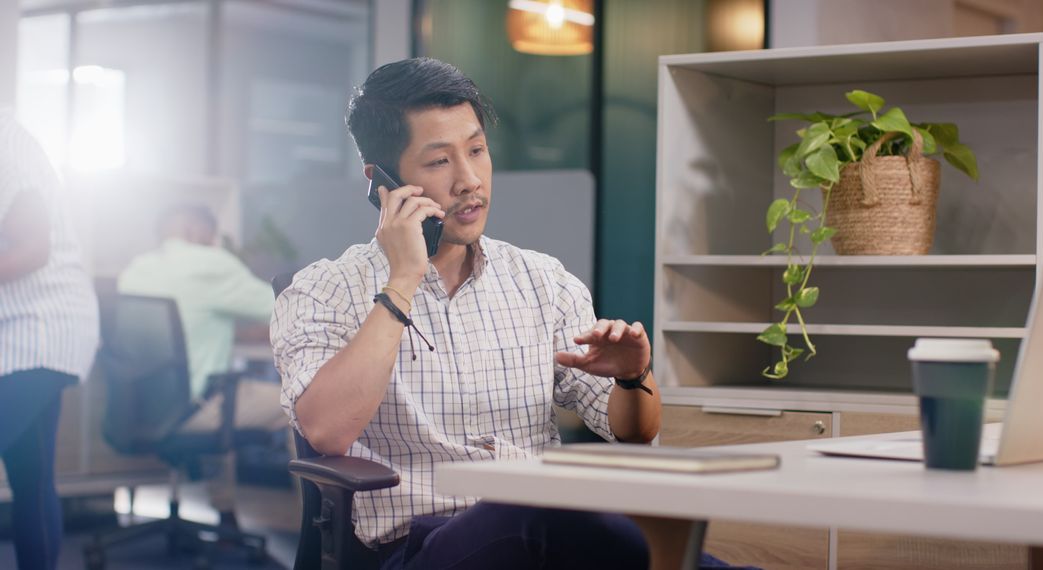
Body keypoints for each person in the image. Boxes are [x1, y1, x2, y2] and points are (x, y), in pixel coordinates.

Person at [272, 58, 745, 569]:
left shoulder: (542, 281)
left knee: (589, 517)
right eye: (439, 162)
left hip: (542, 538)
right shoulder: (323, 290)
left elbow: (632, 432)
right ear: (381, 180)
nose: (469, 180)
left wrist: (634, 378)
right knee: (539, 507)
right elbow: (325, 430)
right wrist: (402, 279)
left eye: (477, 150)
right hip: (417, 547)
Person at [118, 204, 286, 527]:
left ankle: (226, 517)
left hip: (145, 409)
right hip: (195, 408)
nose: (214, 243)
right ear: (194, 229)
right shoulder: (211, 263)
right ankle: (321, 529)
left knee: (223, 392)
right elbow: (285, 307)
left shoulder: (136, 269)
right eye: (211, 236)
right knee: (303, 404)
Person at [0, 110, 100, 570]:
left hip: (41, 329)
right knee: (32, 476)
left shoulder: (7, 142)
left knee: (32, 476)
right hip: (19, 334)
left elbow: (32, 248)